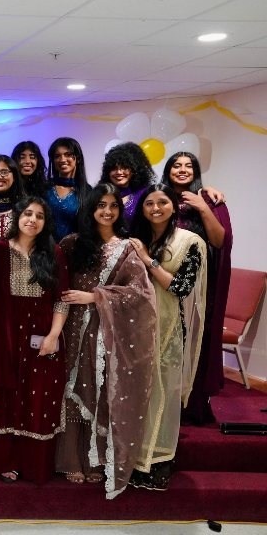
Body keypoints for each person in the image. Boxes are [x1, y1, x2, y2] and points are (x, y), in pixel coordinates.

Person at [56, 183, 157, 498]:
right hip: (71, 325)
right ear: (91, 208)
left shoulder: (127, 247)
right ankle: (70, 458)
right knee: (70, 386)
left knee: (98, 387)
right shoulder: (71, 244)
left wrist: (96, 296)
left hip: (107, 330)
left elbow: (140, 293)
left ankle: (95, 459)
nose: (107, 211)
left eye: (113, 205)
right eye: (101, 204)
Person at [128, 184, 207, 491]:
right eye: (149, 203)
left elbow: (180, 287)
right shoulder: (135, 238)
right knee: (137, 392)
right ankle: (134, 458)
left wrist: (148, 259)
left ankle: (159, 460)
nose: (156, 208)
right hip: (134, 325)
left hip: (169, 325)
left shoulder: (190, 242)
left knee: (163, 391)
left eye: (163, 202)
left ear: (174, 206)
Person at [0, 196, 68, 485]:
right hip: (5, 332)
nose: (33, 220)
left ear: (46, 223)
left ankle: (34, 465)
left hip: (42, 334)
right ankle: (7, 462)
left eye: (40, 216)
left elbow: (61, 299)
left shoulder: (53, 253)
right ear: (17, 217)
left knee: (38, 397)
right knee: (6, 396)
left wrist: (53, 336)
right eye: (28, 214)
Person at [162, 152, 233, 426]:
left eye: (188, 166)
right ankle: (164, 406)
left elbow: (219, 241)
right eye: (176, 165)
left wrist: (202, 206)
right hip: (163, 283)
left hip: (199, 287)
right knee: (166, 343)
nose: (182, 170)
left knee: (195, 343)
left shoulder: (210, 201)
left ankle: (191, 405)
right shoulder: (159, 198)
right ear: (168, 170)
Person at [46, 137, 91, 240]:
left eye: (68, 154)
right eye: (57, 156)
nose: (62, 160)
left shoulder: (89, 192)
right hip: (45, 248)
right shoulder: (44, 189)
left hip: (76, 248)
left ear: (78, 158)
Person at [97, 143, 154, 223]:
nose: (119, 172)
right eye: (114, 168)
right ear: (107, 171)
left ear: (134, 169)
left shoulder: (146, 194)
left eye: (124, 167)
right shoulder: (99, 195)